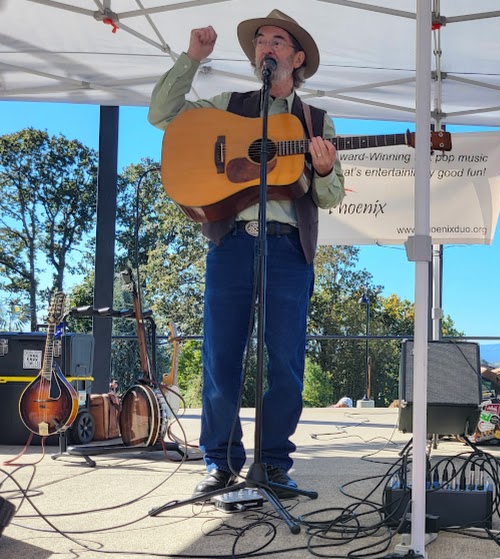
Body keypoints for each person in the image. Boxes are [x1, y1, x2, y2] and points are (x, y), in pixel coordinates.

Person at [148, 10, 345, 499]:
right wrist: (192, 58)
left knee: (286, 363)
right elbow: (162, 115)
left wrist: (323, 170)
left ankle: (273, 463)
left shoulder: (316, 121)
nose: (265, 47)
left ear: (297, 58)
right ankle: (221, 462)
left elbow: (330, 195)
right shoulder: (228, 106)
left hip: (288, 250)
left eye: (277, 41)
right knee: (220, 358)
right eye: (260, 41)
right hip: (232, 243)